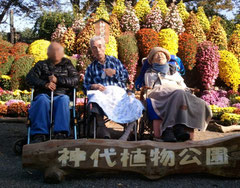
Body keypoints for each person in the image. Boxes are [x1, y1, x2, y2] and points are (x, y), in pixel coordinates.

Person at [138, 47, 212, 142]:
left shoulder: (174, 72)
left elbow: (183, 86)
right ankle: (172, 128)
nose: (160, 55)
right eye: (157, 54)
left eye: (163, 54)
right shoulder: (150, 72)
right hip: (159, 92)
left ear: (167, 58)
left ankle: (176, 128)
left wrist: (186, 90)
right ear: (152, 61)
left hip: (178, 92)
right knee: (179, 93)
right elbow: (150, 86)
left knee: (200, 103)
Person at [83, 36, 144, 140]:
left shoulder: (114, 61)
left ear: (104, 47)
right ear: (92, 51)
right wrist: (93, 86)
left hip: (118, 94)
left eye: (100, 46)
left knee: (136, 104)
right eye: (94, 48)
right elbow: (85, 86)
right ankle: (102, 128)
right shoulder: (91, 67)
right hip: (103, 95)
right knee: (95, 98)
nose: (98, 50)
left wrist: (115, 73)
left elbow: (126, 77)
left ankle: (126, 134)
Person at [26, 41, 79, 143]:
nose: (55, 53)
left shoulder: (67, 65)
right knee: (42, 100)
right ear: (48, 53)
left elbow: (75, 80)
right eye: (53, 50)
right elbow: (30, 78)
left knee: (63, 100)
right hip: (44, 94)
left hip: (61, 94)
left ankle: (61, 133)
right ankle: (39, 134)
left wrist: (57, 80)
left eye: (58, 50)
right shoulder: (41, 65)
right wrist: (45, 84)